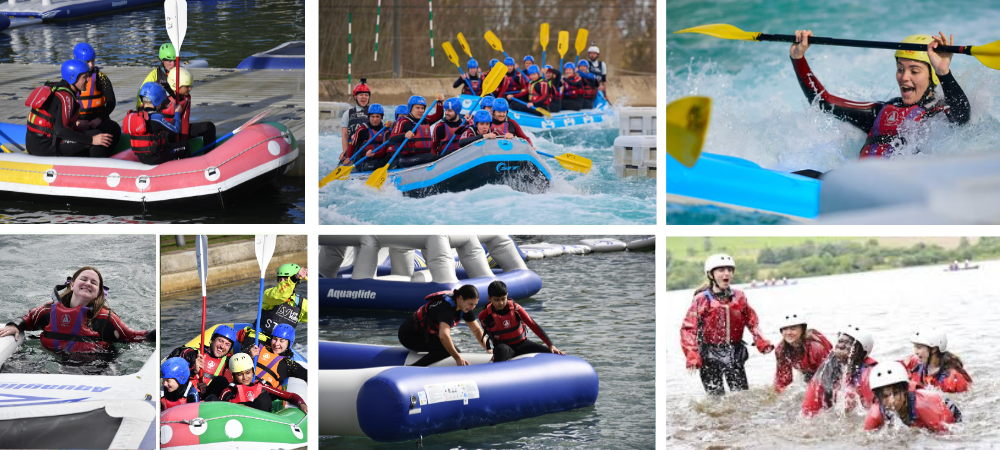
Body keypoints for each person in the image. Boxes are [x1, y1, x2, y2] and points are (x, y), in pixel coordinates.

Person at [790, 31, 970, 161]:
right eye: (900, 69)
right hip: (857, 184)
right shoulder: (880, 111)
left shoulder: (937, 113)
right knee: (804, 174)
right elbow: (823, 102)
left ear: (932, 77)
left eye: (914, 71)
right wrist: (798, 58)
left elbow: (962, 115)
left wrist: (943, 72)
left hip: (897, 191)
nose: (904, 77)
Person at [679, 254, 774, 396]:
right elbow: (688, 329)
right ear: (711, 275)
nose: (726, 273)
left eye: (729, 270)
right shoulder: (701, 299)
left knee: (742, 397)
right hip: (709, 354)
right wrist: (692, 354)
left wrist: (761, 341)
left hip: (734, 352)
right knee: (715, 399)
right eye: (721, 270)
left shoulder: (739, 296)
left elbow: (752, 322)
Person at [1, 267, 154, 353]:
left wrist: (153, 334)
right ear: (72, 285)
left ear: (98, 293)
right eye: (84, 279)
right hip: (51, 359)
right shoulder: (48, 311)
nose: (88, 283)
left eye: (94, 283)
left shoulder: (106, 318)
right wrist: (14, 325)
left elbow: (132, 336)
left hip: (95, 366)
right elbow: (28, 317)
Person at [24, 59, 114, 157]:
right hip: (45, 147)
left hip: (35, 143)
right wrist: (91, 140)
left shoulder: (60, 89)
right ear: (73, 78)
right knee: (96, 142)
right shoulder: (65, 97)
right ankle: (100, 166)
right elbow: (60, 130)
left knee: (97, 133)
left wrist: (84, 133)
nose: (88, 79)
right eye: (85, 77)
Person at [397, 285, 489, 367]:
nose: (472, 307)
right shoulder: (446, 309)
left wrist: (488, 350)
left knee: (455, 352)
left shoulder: (465, 308)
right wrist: (457, 358)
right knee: (448, 351)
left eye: (475, 304)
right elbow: (443, 336)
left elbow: (477, 331)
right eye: (470, 304)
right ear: (460, 298)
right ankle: (413, 368)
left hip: (424, 335)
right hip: (409, 335)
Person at [477, 280, 565, 362]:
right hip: (505, 349)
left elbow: (533, 325)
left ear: (507, 295)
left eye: (503, 299)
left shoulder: (516, 308)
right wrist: (497, 353)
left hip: (523, 345)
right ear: (489, 299)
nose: (501, 303)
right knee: (501, 349)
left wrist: (551, 345)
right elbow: (491, 336)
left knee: (552, 354)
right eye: (497, 300)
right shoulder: (484, 316)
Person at [801, 324, 878, 415]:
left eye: (849, 343)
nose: (841, 345)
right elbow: (810, 403)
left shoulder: (868, 373)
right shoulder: (827, 367)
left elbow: (875, 411)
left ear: (861, 353)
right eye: (840, 341)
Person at [864, 361, 961, 432]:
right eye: (885, 396)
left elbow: (949, 435)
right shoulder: (875, 414)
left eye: (896, 393)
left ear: (905, 391)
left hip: (943, 410)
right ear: (878, 398)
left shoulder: (923, 405)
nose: (892, 400)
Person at [215, 353, 308, 414]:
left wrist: (301, 404)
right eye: (240, 374)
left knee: (264, 398)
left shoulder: (263, 387)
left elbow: (290, 396)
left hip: (260, 424)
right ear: (233, 376)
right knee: (212, 398)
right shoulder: (228, 391)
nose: (245, 377)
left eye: (248, 373)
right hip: (236, 425)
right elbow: (217, 409)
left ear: (253, 371)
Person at [123, 82, 188, 165]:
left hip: (141, 158)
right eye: (161, 102)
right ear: (157, 100)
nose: (161, 104)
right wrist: (177, 112)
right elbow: (176, 130)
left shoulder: (137, 115)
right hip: (156, 157)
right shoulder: (157, 117)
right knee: (185, 145)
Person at [72, 42, 122, 151]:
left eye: (92, 61)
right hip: (79, 122)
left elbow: (111, 102)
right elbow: (66, 105)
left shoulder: (101, 78)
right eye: (87, 62)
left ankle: (108, 154)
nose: (91, 65)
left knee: (115, 129)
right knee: (95, 134)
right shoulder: (71, 78)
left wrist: (99, 119)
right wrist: (76, 122)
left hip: (98, 120)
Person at [166, 324, 238, 394]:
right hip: (191, 393)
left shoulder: (230, 360)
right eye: (220, 341)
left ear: (230, 348)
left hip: (212, 397)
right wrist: (193, 372)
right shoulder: (191, 353)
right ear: (212, 340)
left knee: (221, 381)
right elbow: (171, 376)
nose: (222, 346)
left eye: (227, 344)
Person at [377, 94, 444, 169]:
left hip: (424, 156)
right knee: (431, 157)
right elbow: (391, 139)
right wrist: (404, 135)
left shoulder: (425, 119)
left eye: (422, 108)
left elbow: (438, 116)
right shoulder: (403, 122)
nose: (421, 110)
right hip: (407, 159)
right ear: (410, 108)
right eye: (417, 108)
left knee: (434, 156)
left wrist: (440, 102)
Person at [773, 312, 832, 393]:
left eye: (793, 329)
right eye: (785, 329)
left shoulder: (816, 348)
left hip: (826, 371)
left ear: (802, 330)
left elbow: (828, 378)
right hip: (806, 371)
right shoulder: (781, 350)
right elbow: (782, 380)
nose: (788, 333)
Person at [165, 67, 217, 150]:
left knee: (209, 127)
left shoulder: (186, 98)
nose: (190, 88)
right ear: (176, 85)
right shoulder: (162, 96)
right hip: (164, 133)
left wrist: (184, 143)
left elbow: (185, 122)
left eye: (190, 86)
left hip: (178, 129)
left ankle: (210, 155)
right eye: (187, 86)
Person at [243, 323, 308, 389]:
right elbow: (237, 359)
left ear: (288, 343)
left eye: (281, 341)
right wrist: (249, 356)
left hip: (262, 392)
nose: (276, 344)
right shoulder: (257, 348)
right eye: (274, 339)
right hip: (242, 385)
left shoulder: (288, 364)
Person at [907, 329, 971, 393]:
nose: (915, 352)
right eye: (914, 347)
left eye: (919, 347)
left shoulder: (951, 378)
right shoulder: (916, 362)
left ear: (934, 349)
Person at [254, 263, 308, 337]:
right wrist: (293, 278)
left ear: (296, 282)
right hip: (260, 337)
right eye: (280, 279)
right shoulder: (269, 293)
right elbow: (279, 296)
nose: (281, 282)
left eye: (286, 279)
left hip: (281, 342)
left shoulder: (302, 303)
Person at [343, 103, 387, 168]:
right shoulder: (362, 130)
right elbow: (352, 145)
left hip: (380, 158)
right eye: (372, 116)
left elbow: (385, 149)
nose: (375, 119)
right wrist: (348, 157)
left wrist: (374, 154)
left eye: (377, 116)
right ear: (369, 117)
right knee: (373, 165)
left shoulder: (386, 130)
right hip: (365, 160)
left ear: (381, 117)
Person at [136, 43, 179, 107]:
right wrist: (140, 108)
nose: (173, 64)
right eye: (170, 61)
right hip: (159, 108)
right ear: (162, 61)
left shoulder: (181, 73)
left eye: (175, 61)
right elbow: (142, 92)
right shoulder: (154, 74)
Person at [341, 80, 372, 155]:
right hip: (353, 150)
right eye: (361, 95)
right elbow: (345, 135)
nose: (364, 97)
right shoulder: (347, 114)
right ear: (355, 97)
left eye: (366, 95)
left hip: (369, 150)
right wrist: (345, 153)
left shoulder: (374, 112)